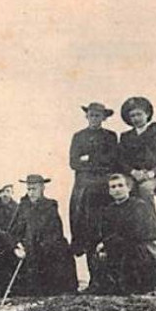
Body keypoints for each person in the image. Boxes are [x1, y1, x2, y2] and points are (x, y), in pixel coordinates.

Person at [69, 101, 121, 282]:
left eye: (98, 116)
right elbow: (74, 163)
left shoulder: (110, 136)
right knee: (84, 226)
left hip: (102, 187)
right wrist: (96, 161)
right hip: (83, 186)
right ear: (86, 116)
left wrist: (89, 159)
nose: (94, 119)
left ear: (104, 118)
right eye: (91, 115)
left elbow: (113, 160)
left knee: (105, 229)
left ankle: (109, 277)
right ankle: (93, 278)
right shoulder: (78, 137)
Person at [91, 173, 156, 294]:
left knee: (131, 261)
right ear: (109, 191)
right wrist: (104, 245)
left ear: (128, 188)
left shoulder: (139, 206)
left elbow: (142, 233)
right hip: (116, 248)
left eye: (120, 185)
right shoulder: (108, 210)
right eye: (113, 187)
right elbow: (105, 233)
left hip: (136, 250)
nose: (117, 189)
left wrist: (110, 242)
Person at [10, 174, 78, 297]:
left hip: (48, 246)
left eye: (34, 189)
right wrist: (18, 245)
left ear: (42, 188)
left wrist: (46, 245)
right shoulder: (23, 207)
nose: (31, 193)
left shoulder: (50, 206)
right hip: (29, 247)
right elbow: (14, 231)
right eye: (29, 189)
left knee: (63, 253)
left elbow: (57, 231)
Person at [118, 95, 156, 203]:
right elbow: (120, 160)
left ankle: (149, 219)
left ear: (147, 114)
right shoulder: (126, 136)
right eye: (132, 116)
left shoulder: (155, 133)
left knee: (145, 189)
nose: (136, 118)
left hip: (152, 176)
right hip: (132, 176)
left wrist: (151, 173)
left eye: (139, 114)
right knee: (122, 190)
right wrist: (133, 172)